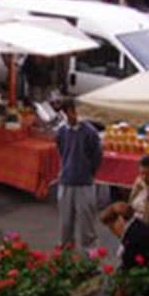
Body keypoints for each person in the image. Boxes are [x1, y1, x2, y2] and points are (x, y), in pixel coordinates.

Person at [55, 97, 102, 248]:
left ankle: (90, 255)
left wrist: (88, 171)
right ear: (66, 113)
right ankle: (66, 250)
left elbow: (96, 156)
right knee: (65, 222)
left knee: (86, 222)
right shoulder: (62, 131)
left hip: (84, 182)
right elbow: (62, 151)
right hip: (66, 180)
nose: (75, 115)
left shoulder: (90, 132)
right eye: (72, 111)